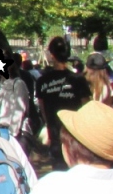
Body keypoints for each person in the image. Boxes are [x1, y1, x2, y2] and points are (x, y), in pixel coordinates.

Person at [35, 37, 92, 171]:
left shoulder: (42, 81)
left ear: (52, 55)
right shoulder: (78, 79)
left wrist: (48, 124)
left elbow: (42, 108)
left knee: (59, 169)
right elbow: (86, 106)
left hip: (56, 132)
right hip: (75, 133)